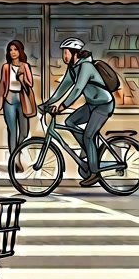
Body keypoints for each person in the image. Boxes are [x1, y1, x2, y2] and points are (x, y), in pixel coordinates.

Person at [43, 37, 114, 187]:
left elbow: (77, 89)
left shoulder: (86, 67)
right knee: (70, 122)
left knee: (88, 136)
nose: (64, 56)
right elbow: (62, 88)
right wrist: (46, 104)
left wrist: (62, 106)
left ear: (75, 53)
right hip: (91, 105)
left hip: (103, 105)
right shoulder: (73, 68)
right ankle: (90, 151)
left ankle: (95, 172)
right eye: (63, 53)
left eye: (66, 53)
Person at [0, 40, 36, 173]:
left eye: (15, 49)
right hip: (9, 99)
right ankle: (14, 160)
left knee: (24, 132)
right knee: (12, 131)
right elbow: (2, 84)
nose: (13, 52)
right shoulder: (5, 67)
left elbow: (30, 84)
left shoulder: (25, 66)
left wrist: (22, 77)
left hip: (22, 99)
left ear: (20, 51)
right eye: (10, 50)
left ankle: (18, 152)